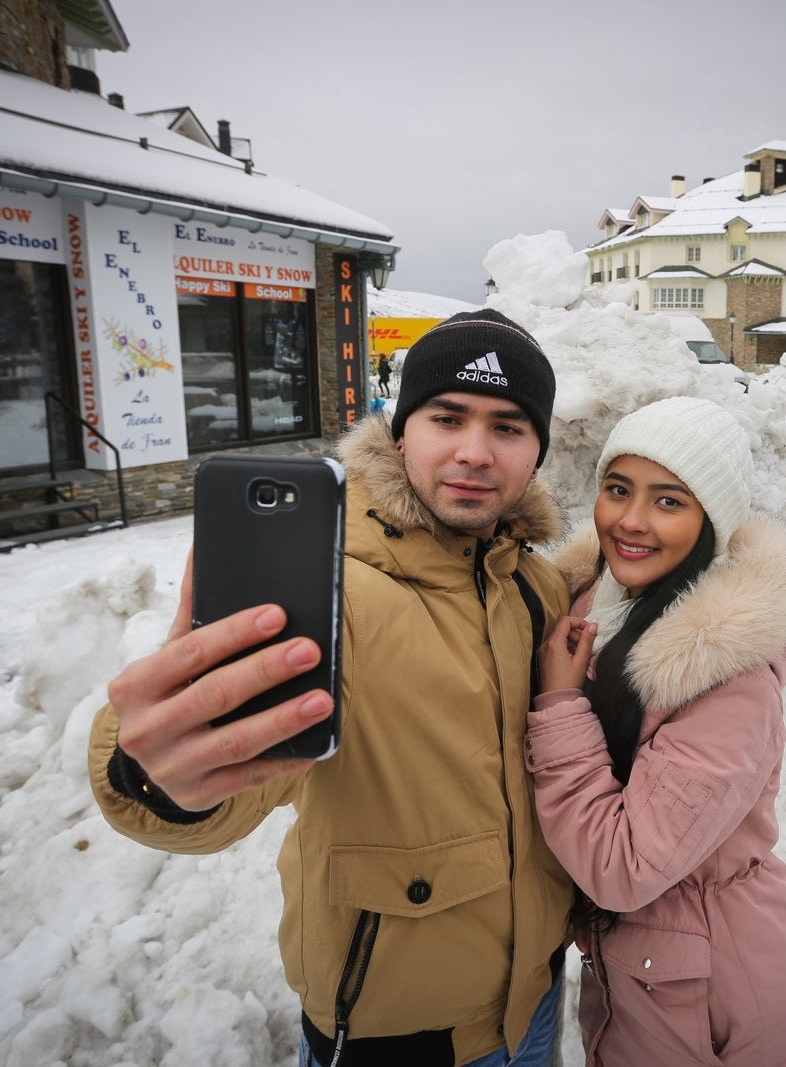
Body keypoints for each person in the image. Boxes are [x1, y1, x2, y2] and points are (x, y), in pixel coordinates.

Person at [89, 307, 575, 1067]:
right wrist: (151, 771)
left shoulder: (537, 585)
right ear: (401, 428)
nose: (475, 452)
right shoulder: (328, 596)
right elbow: (230, 786)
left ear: (537, 449)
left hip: (534, 1003)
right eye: (447, 416)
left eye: (509, 427)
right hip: (396, 1037)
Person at [527, 396, 786, 1065]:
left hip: (716, 1000)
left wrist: (560, 704)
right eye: (618, 489)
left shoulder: (729, 682)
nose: (630, 521)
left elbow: (622, 867)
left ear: (711, 520)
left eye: (668, 501)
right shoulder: (602, 607)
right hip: (650, 974)